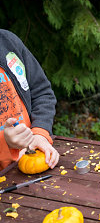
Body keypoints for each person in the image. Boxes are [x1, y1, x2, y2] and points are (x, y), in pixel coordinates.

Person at [0, 29, 59, 171]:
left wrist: (39, 133)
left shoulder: (8, 42)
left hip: (31, 160)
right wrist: (4, 142)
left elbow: (41, 92)